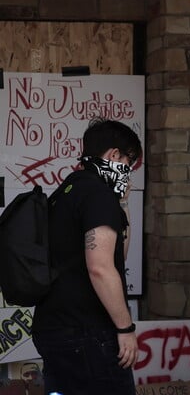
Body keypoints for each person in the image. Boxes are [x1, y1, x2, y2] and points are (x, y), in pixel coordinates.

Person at [31, 118, 142, 395]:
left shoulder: (68, 189)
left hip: (53, 327)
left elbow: (119, 256)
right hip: (88, 333)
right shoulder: (97, 194)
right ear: (114, 156)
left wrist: (123, 203)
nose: (129, 173)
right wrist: (125, 328)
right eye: (129, 165)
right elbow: (101, 268)